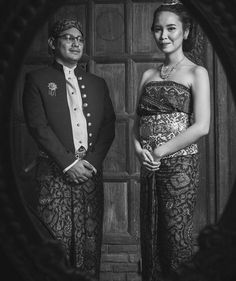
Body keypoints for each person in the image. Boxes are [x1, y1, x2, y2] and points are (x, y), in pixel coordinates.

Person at [23, 19, 116, 280]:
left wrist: (92, 163)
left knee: (89, 243)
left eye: (80, 38)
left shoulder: (97, 83)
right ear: (53, 43)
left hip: (89, 173)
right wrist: (68, 164)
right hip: (53, 174)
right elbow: (38, 126)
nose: (76, 43)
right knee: (55, 242)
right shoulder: (38, 79)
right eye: (68, 37)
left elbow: (109, 126)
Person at [132, 0, 210, 280]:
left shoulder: (196, 72)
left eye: (171, 28)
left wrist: (159, 151)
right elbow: (137, 124)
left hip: (180, 167)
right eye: (157, 29)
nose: (163, 36)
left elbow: (201, 126)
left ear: (186, 31)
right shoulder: (148, 74)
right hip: (149, 165)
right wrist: (140, 150)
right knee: (150, 232)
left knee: (176, 236)